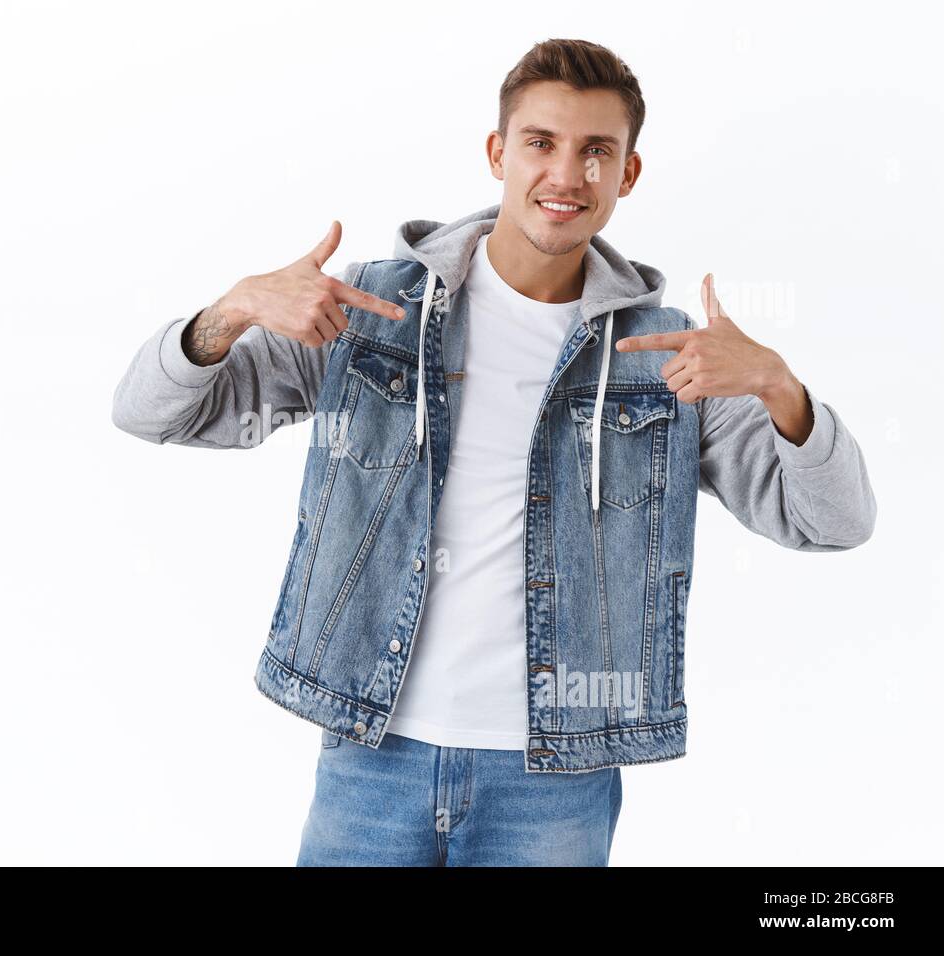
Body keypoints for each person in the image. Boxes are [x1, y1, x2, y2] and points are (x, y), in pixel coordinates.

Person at [110, 38, 876, 866]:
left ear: (628, 174)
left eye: (596, 152)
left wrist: (781, 390)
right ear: (498, 152)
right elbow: (149, 414)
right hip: (372, 753)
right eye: (542, 143)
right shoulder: (370, 311)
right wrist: (229, 312)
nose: (565, 175)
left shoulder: (671, 360)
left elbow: (835, 523)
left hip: (553, 779)